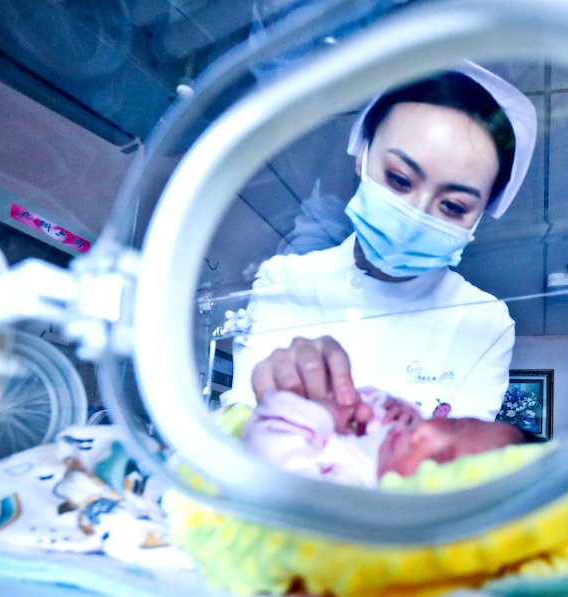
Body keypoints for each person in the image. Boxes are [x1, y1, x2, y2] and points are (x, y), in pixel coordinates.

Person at [224, 61, 538, 445]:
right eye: (400, 180)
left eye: (453, 206)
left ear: (478, 218)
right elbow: (237, 431)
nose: (416, 216)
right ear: (362, 156)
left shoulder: (485, 323)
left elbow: (450, 466)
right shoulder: (286, 281)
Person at [242, 386, 537, 487]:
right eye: (452, 425)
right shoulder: (387, 441)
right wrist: (382, 406)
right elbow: (361, 402)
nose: (424, 432)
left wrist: (327, 412)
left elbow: (270, 458)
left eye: (436, 460)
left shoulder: (349, 491)